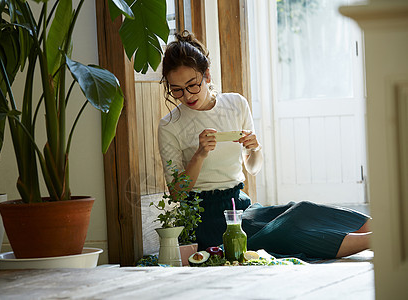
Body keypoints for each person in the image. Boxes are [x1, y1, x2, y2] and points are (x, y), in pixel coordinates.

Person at [158, 30, 371, 259]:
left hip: (241, 205)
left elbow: (252, 168)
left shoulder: (235, 104)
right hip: (205, 218)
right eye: (177, 90)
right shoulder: (170, 126)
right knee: (287, 230)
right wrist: (199, 155)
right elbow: (177, 194)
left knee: (300, 210)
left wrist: (254, 148)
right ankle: (377, 240)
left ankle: (385, 229)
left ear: (207, 75)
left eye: (192, 85)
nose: (186, 95)